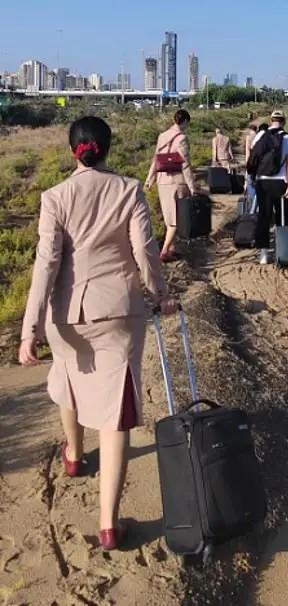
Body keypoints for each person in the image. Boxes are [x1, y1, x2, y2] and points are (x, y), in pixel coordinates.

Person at [18, 116, 179, 551]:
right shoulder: (128, 190)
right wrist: (161, 293)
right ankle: (109, 524)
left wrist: (28, 329)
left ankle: (73, 456)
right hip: (117, 312)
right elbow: (144, 251)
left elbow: (46, 264)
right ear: (107, 147)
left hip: (65, 315)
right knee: (116, 411)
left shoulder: (54, 196)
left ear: (73, 149)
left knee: (69, 381)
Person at [144, 109, 197, 263]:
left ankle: (172, 249)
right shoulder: (182, 138)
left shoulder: (162, 136)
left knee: (169, 218)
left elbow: (156, 160)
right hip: (177, 182)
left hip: (162, 181)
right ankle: (165, 251)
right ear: (185, 121)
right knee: (176, 220)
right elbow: (185, 165)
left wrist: (149, 180)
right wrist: (192, 187)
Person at [248, 110, 288, 265]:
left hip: (262, 181)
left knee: (264, 216)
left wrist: (251, 177)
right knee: (282, 216)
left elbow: (252, 156)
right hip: (280, 182)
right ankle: (282, 251)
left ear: (271, 121)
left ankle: (263, 253)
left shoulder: (260, 136)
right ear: (284, 121)